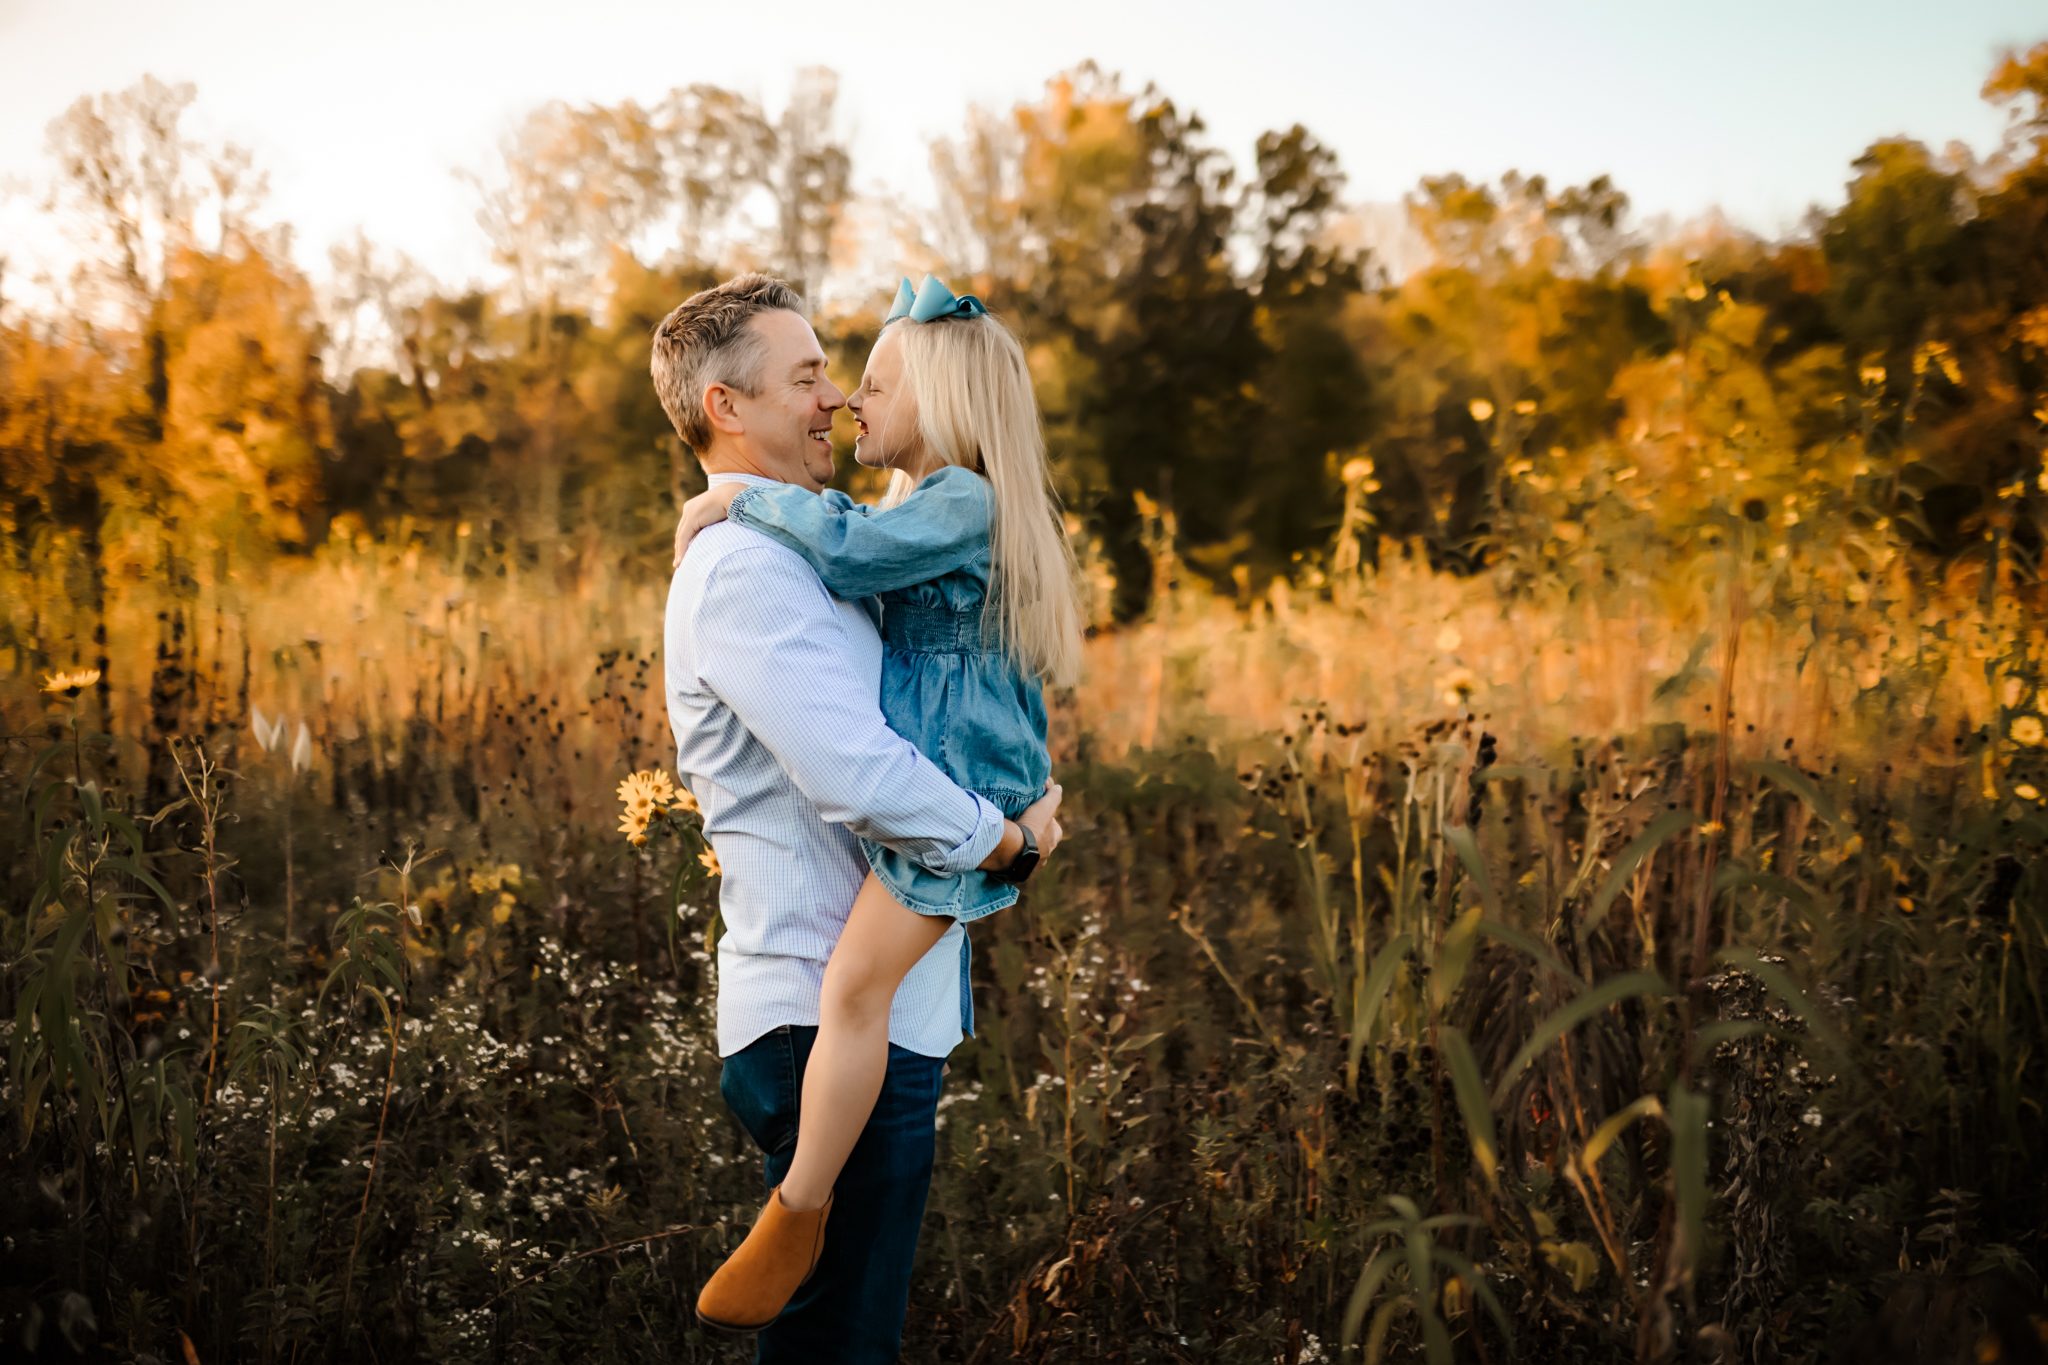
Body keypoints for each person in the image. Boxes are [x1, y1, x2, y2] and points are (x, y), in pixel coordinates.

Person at [653, 273, 1065, 1362]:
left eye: (847, 378)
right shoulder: (743, 570)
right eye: (809, 377)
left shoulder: (829, 542)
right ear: (724, 408)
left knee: (852, 1343)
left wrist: (1016, 799)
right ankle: (795, 1208)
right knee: (835, 1350)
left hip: (881, 1019)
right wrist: (1007, 842)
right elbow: (861, 773)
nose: (835, 401)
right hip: (812, 1017)